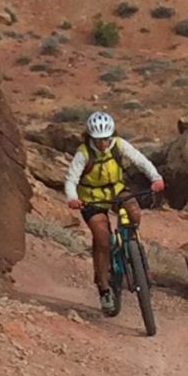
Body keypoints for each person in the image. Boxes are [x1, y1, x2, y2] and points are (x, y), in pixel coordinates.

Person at [64, 111, 163, 312]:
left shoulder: (118, 145)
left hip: (116, 191)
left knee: (134, 212)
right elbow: (71, 179)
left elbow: (140, 160)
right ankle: (104, 288)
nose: (103, 144)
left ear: (112, 135)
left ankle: (135, 255)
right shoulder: (84, 153)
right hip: (92, 199)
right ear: (91, 137)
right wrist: (73, 198)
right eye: (98, 140)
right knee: (101, 238)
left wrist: (156, 177)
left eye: (106, 139)